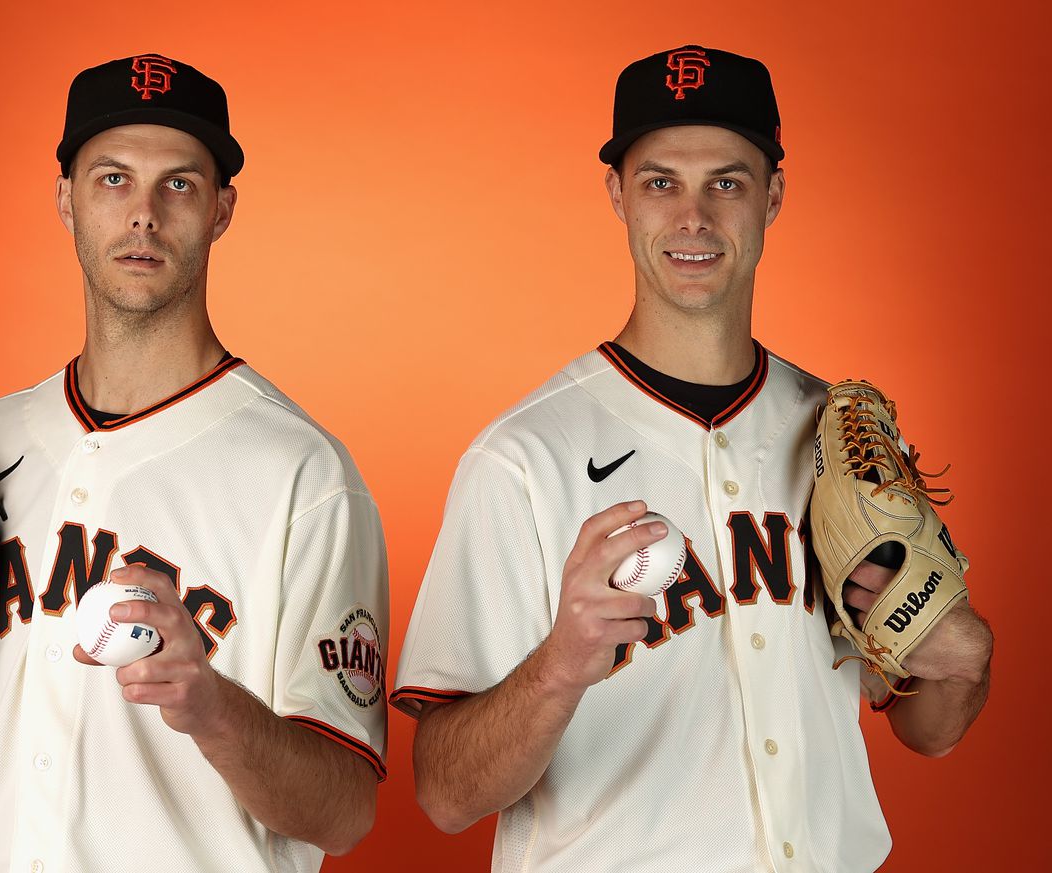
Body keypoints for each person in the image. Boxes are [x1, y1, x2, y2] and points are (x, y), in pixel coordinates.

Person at [392, 45, 992, 872]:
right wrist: (558, 667)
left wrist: (962, 658)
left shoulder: (841, 439)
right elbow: (445, 793)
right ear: (619, 196)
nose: (694, 218)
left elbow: (929, 729)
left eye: (728, 182)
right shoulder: (523, 457)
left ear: (773, 195)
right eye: (661, 182)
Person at [0, 53, 389, 873]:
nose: (144, 214)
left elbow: (344, 809)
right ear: (67, 199)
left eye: (179, 184)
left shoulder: (304, 474)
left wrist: (210, 707)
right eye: (113, 178)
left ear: (223, 209)